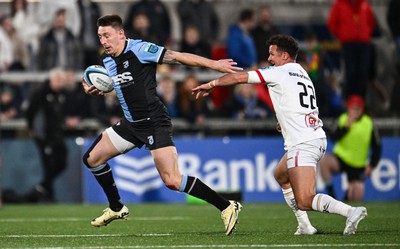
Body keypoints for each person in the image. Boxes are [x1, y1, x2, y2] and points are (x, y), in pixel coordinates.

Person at [80, 14, 242, 236]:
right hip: (131, 124)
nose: (103, 41)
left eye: (107, 35)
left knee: (173, 181)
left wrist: (213, 64)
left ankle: (227, 206)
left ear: (121, 33)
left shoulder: (140, 49)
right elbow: (118, 84)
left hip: (154, 122)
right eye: (100, 37)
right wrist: (96, 88)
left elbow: (178, 56)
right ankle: (116, 208)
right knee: (92, 159)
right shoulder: (107, 59)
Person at [192, 34, 367, 236]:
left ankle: (351, 211)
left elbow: (240, 78)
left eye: (272, 54)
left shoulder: (279, 72)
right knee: (281, 175)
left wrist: (211, 85)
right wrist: (283, 120)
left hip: (303, 142)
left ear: (284, 55)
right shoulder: (302, 72)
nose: (269, 59)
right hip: (312, 136)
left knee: (305, 199)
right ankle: (305, 225)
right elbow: (297, 102)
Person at [319, 95, 381, 201]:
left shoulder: (369, 123)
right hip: (342, 157)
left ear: (362, 109)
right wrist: (346, 127)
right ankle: (332, 195)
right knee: (324, 163)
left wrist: (372, 165)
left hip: (358, 163)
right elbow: (333, 137)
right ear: (348, 108)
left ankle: (347, 198)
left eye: (358, 109)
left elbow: (377, 146)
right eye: (353, 108)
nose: (355, 111)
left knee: (357, 195)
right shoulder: (343, 119)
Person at [25, 68, 69, 202]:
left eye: (61, 81)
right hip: (44, 135)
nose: (59, 83)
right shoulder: (41, 93)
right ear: (51, 80)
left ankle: (41, 188)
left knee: (62, 162)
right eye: (57, 80)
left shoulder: (62, 94)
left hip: (58, 135)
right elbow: (30, 111)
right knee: (48, 165)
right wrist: (31, 128)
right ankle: (49, 196)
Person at [327, 0, 375, 99]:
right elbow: (332, 23)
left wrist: (365, 34)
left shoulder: (365, 4)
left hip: (364, 44)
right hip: (348, 44)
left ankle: (361, 102)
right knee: (351, 72)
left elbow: (371, 22)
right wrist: (342, 36)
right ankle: (349, 101)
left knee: (363, 73)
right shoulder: (339, 4)